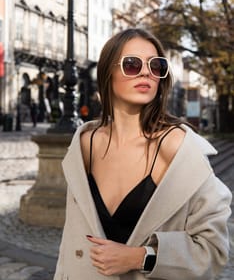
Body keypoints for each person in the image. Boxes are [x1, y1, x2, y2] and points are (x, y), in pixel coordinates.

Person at [54, 28, 232, 280]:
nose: (146, 71)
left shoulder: (177, 147)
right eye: (132, 64)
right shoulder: (85, 142)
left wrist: (140, 257)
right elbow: (69, 245)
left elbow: (213, 251)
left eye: (156, 65)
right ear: (108, 73)